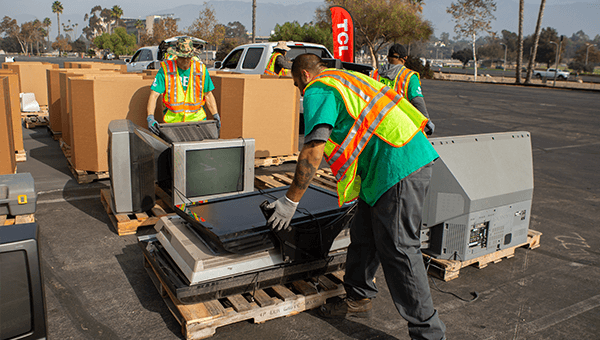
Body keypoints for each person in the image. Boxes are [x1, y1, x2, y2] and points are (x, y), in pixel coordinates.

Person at [267, 54, 446, 340]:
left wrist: (290, 201)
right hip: (388, 165)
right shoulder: (350, 78)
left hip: (397, 166)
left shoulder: (319, 88)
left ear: (303, 75)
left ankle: (429, 334)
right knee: (364, 234)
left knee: (400, 250)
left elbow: (314, 147)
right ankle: (359, 296)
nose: (299, 90)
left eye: (296, 83)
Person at [146, 36, 220, 135]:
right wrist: (150, 117)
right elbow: (154, 95)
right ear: (176, 55)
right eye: (182, 58)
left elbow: (208, 95)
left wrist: (215, 115)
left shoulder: (200, 70)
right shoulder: (165, 70)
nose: (185, 61)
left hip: (197, 122)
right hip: (173, 123)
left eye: (188, 58)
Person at [373, 44, 435, 136]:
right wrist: (427, 121)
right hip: (399, 128)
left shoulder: (374, 74)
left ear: (388, 57)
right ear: (404, 58)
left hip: (376, 125)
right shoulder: (409, 77)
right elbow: (417, 100)